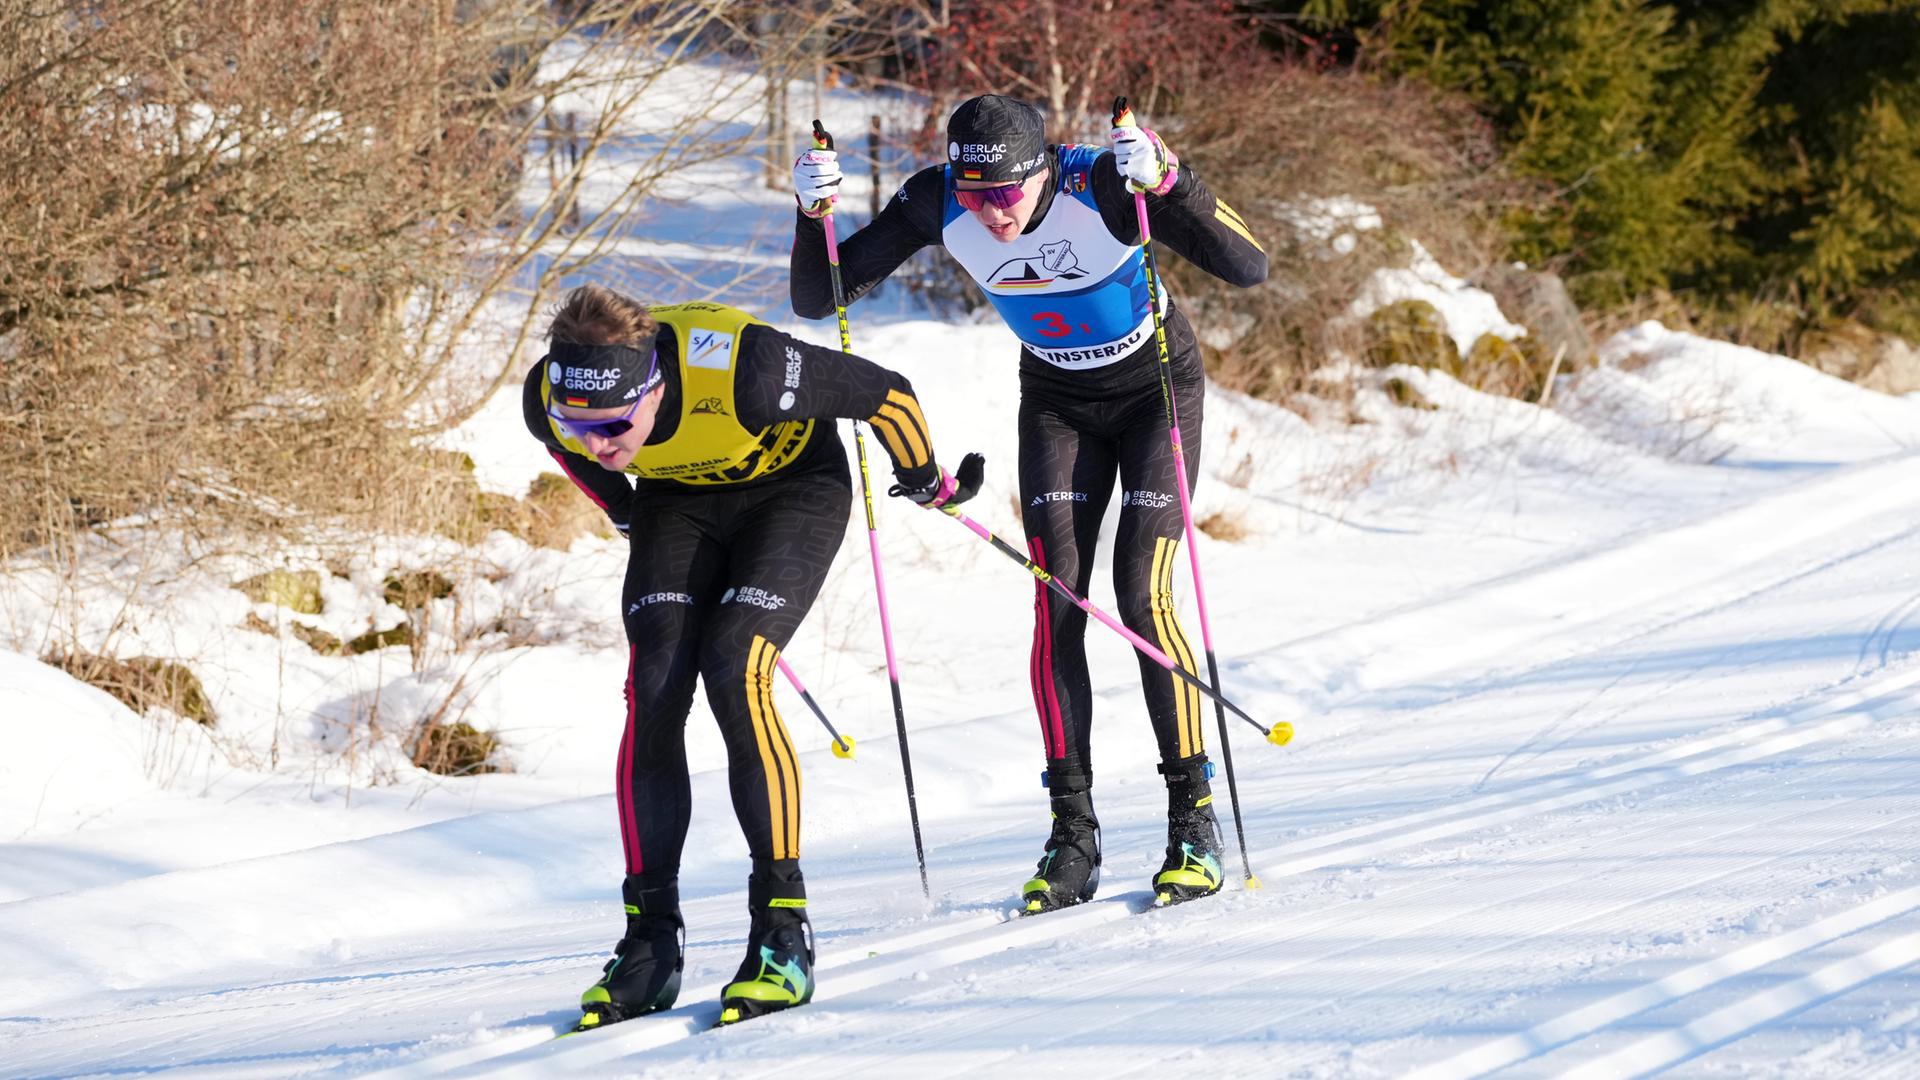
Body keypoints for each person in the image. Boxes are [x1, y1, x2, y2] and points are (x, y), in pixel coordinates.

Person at [790, 95, 1267, 913]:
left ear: (1043, 169)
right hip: (1055, 401)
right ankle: (1072, 833)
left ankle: (1192, 820)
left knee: (1142, 597)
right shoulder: (936, 198)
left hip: (1155, 389)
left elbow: (1248, 264)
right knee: (1057, 604)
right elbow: (822, 298)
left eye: (1006, 193)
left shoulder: (1101, 185)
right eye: (975, 196)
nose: (992, 212)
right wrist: (811, 213)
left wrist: (1173, 181)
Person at [524, 284, 980, 1031]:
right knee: (655, 681)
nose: (598, 441)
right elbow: (564, 444)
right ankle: (650, 942)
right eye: (582, 424)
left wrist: (926, 477)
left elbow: (888, 397)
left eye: (612, 424)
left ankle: (780, 930)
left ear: (656, 384)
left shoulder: (748, 371)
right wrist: (622, 501)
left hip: (794, 491)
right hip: (677, 498)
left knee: (735, 665)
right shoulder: (553, 397)